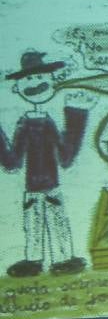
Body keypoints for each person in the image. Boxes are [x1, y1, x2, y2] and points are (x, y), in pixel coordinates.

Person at [1, 50, 93, 277]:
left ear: (52, 82)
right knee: (33, 223)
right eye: (29, 79)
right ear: (17, 88)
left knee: (56, 220)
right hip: (32, 189)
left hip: (51, 186)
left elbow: (66, 157)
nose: (36, 83)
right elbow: (12, 162)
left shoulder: (49, 124)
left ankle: (63, 258)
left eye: (41, 77)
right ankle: (33, 260)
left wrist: (77, 114)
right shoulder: (24, 125)